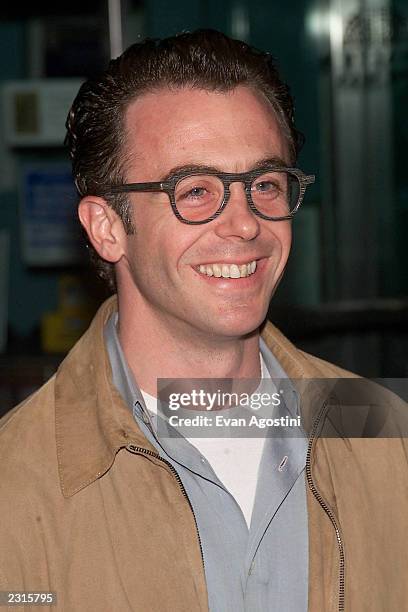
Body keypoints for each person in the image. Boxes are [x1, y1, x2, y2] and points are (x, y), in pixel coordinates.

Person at [0, 29, 407, 612]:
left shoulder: (384, 434)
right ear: (106, 226)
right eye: (194, 191)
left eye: (265, 184)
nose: (244, 224)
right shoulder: (16, 490)